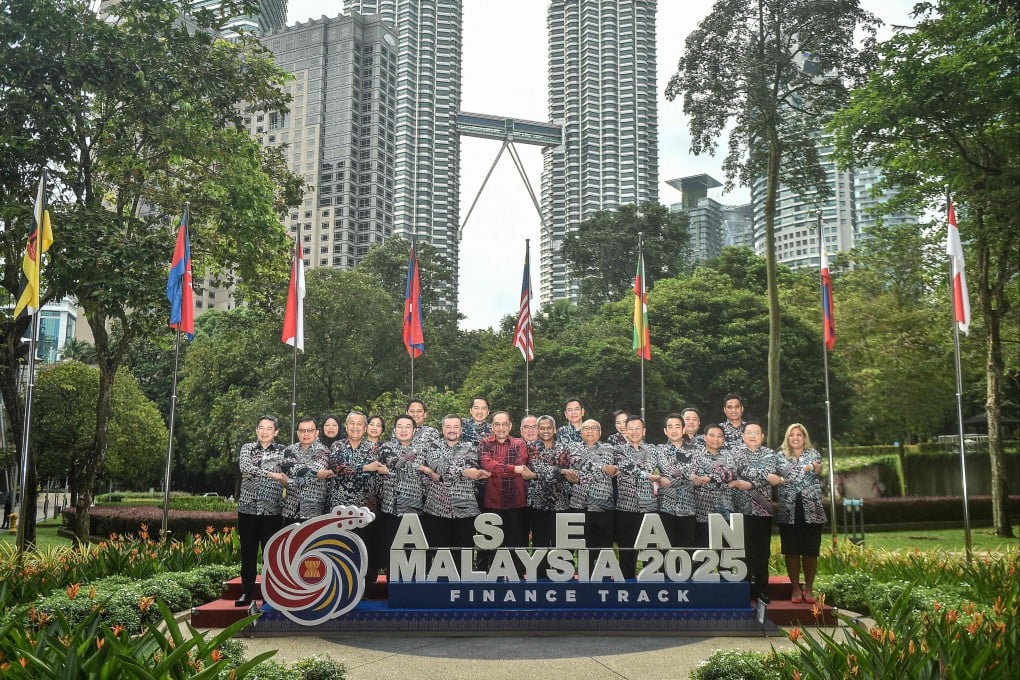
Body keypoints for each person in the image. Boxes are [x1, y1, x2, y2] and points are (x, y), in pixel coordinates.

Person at [324, 412, 389, 582]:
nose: (355, 427)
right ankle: (341, 583)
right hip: (340, 509)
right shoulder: (337, 446)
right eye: (351, 423)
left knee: (365, 548)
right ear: (346, 427)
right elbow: (337, 466)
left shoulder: (374, 448)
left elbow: (379, 472)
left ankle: (366, 586)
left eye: (359, 424)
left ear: (365, 428)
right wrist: (366, 467)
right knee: (342, 548)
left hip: (366, 508)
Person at [235, 415, 290, 607]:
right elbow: (245, 467)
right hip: (247, 510)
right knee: (248, 555)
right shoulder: (247, 448)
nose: (264, 431)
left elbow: (287, 479)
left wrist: (281, 478)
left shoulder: (284, 451)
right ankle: (246, 593)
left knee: (271, 555)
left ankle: (270, 594)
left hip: (272, 512)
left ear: (276, 432)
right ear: (256, 430)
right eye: (261, 427)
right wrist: (272, 475)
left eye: (269, 428)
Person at [420, 414, 490, 554]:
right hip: (437, 508)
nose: (452, 430)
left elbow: (473, 468)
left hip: (465, 509)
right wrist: (464, 473)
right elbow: (438, 466)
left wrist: (439, 477)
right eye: (448, 426)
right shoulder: (433, 446)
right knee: (439, 556)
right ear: (443, 429)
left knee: (463, 556)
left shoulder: (471, 447)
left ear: (461, 429)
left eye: (456, 427)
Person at [728, 419, 781, 602]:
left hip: (763, 511)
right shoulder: (734, 452)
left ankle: (761, 590)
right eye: (748, 432)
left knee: (761, 552)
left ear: (762, 436)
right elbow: (740, 470)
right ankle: (743, 589)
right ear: (743, 436)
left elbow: (771, 474)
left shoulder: (770, 454)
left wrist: (750, 483)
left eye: (756, 432)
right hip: (740, 509)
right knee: (742, 551)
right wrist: (765, 476)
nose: (752, 436)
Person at [776, 423, 826, 604]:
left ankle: (810, 588)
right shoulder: (779, 455)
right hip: (788, 510)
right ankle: (796, 588)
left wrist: (813, 467)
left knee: (811, 550)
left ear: (805, 437)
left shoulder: (814, 454)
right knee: (791, 551)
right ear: (787, 438)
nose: (795, 438)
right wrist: (806, 468)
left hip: (812, 509)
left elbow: (819, 469)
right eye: (792, 435)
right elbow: (784, 475)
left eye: (799, 434)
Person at [479, 411, 535, 570]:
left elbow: (520, 464)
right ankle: (485, 578)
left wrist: (498, 468)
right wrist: (512, 468)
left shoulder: (519, 444)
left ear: (510, 426)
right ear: (492, 426)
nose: (501, 428)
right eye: (497, 424)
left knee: (517, 546)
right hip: (492, 501)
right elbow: (487, 464)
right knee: (489, 545)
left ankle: (518, 580)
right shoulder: (485, 443)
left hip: (516, 502)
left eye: (504, 424)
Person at [612, 416, 661, 579]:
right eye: (630, 429)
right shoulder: (617, 450)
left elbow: (658, 470)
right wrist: (648, 475)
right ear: (625, 431)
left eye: (638, 428)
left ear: (644, 431)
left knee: (651, 552)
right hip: (626, 507)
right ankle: (627, 589)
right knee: (627, 551)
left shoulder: (653, 450)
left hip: (650, 508)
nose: (634, 432)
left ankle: (651, 589)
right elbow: (627, 467)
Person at [527, 415, 577, 573]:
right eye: (542, 428)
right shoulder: (531, 447)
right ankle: (540, 578)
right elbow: (538, 469)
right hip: (538, 502)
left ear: (554, 429)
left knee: (561, 544)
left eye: (549, 427)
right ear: (537, 430)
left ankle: (562, 575)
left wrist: (563, 473)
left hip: (561, 502)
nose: (545, 431)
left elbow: (572, 473)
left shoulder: (564, 448)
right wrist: (561, 471)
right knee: (540, 543)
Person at [377, 415, 426, 564]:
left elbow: (391, 469)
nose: (403, 430)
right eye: (400, 426)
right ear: (394, 430)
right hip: (391, 508)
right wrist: (421, 468)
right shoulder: (386, 447)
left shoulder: (423, 449)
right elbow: (394, 464)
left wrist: (389, 472)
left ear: (414, 430)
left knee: (414, 557)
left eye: (407, 426)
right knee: (392, 555)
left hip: (415, 508)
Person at [567, 419, 617, 549]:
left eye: (593, 428)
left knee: (603, 549)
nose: (590, 431)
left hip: (603, 506)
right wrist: (603, 467)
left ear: (600, 432)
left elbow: (605, 473)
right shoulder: (574, 448)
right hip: (579, 504)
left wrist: (579, 479)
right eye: (586, 428)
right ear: (581, 432)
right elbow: (577, 463)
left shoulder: (609, 448)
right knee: (582, 549)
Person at [655, 413, 698, 549]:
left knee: (686, 550)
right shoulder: (659, 450)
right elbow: (668, 471)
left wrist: (671, 479)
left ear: (684, 429)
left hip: (688, 507)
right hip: (665, 507)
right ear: (665, 431)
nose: (674, 430)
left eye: (677, 426)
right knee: (665, 551)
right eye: (670, 427)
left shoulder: (696, 451)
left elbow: (694, 470)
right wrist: (689, 477)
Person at [690, 424, 736, 547]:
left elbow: (730, 473)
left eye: (719, 436)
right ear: (704, 437)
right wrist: (717, 474)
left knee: (726, 552)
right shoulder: (695, 455)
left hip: (725, 508)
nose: (715, 439)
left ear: (724, 439)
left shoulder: (728, 455)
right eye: (712, 435)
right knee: (701, 550)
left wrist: (709, 477)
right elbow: (693, 475)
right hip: (701, 509)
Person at [281, 416, 331, 523]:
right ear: (298, 433)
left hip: (314, 511)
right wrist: (314, 473)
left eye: (310, 430)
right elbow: (291, 469)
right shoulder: (289, 450)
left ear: (317, 432)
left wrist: (289, 482)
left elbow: (314, 477)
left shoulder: (324, 451)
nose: (306, 434)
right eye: (302, 431)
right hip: (291, 510)